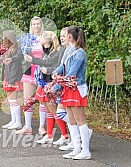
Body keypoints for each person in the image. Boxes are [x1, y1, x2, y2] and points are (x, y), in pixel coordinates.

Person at [51, 26, 91, 160]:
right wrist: (55, 73)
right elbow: (63, 66)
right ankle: (76, 148)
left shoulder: (79, 53)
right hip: (68, 88)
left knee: (79, 120)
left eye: (65, 35)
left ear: (69, 37)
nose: (62, 37)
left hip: (76, 88)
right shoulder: (69, 51)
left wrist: (55, 86)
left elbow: (71, 73)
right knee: (72, 121)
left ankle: (85, 150)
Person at [24, 31, 69, 145]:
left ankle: (65, 135)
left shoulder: (56, 52)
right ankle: (49, 135)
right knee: (48, 110)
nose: (40, 39)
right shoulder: (46, 51)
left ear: (48, 40)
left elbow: (51, 65)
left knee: (53, 110)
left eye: (42, 37)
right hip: (44, 82)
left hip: (50, 83)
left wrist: (33, 60)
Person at [16, 16, 47, 135]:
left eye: (38, 24)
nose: (36, 26)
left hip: (42, 70)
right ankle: (27, 126)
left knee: (42, 99)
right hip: (30, 70)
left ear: (41, 25)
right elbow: (22, 53)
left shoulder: (45, 38)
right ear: (31, 26)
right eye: (34, 24)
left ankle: (42, 127)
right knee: (27, 98)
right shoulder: (27, 39)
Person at [0, 30, 23, 130]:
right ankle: (13, 120)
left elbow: (18, 57)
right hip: (8, 76)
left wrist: (11, 59)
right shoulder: (8, 49)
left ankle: (18, 122)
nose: (2, 39)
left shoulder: (17, 49)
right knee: (10, 100)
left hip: (13, 77)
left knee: (13, 100)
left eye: (3, 37)